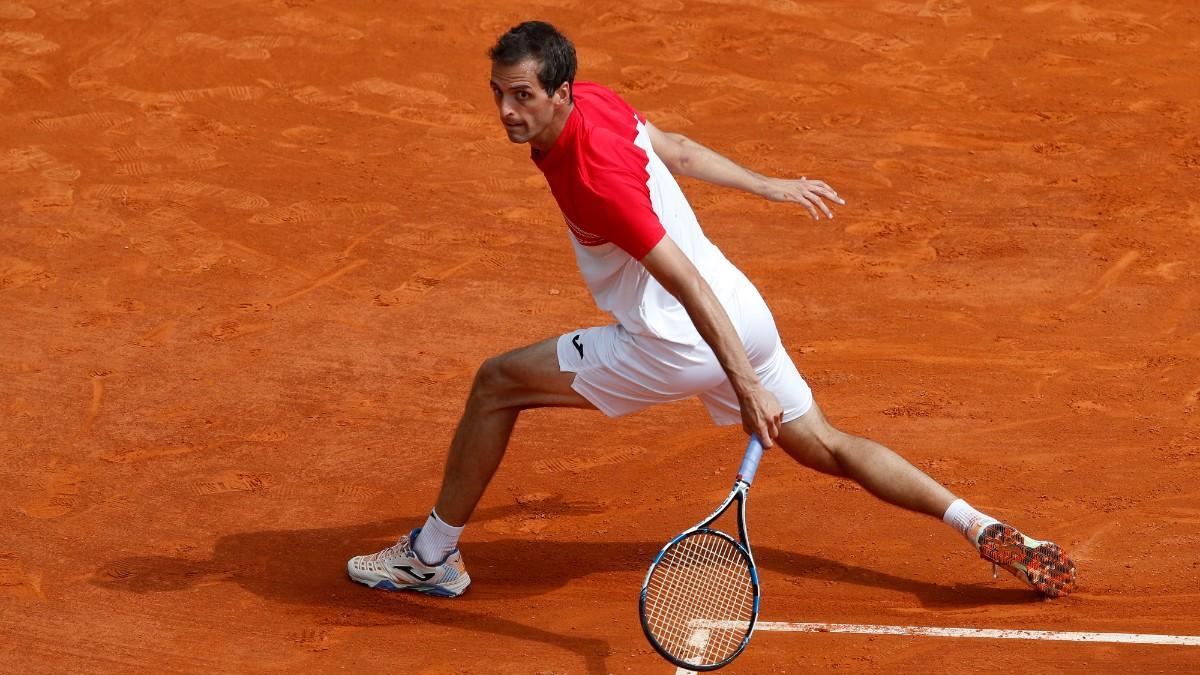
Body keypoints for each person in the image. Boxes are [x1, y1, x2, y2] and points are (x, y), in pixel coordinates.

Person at [347, 21, 1076, 600]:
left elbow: (686, 283)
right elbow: (678, 149)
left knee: (495, 383)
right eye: (499, 93)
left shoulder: (596, 178)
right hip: (746, 312)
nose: (506, 110)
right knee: (825, 443)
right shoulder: (597, 100)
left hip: (680, 338)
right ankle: (973, 521)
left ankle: (432, 557)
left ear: (561, 92)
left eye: (522, 97)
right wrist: (769, 184)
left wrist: (745, 386)